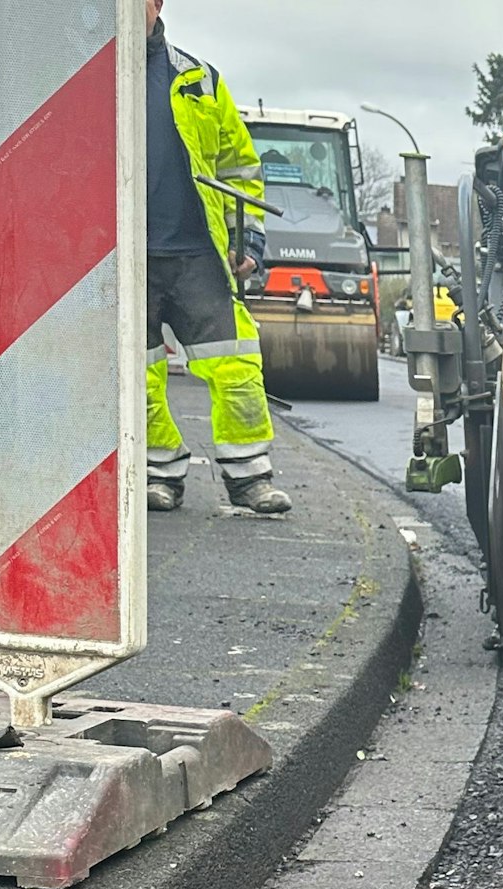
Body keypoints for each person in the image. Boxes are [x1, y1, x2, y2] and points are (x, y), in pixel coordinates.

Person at [143, 0, 290, 513]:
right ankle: (158, 474)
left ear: (156, 4)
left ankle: (250, 479)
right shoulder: (85, 81)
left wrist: (247, 241)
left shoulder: (200, 79)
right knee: (137, 377)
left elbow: (240, 169)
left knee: (236, 363)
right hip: (123, 260)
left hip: (197, 253)